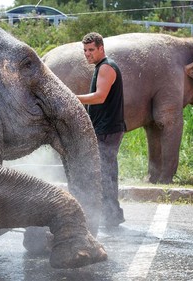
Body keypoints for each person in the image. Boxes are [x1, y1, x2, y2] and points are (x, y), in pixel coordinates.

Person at [77, 32, 126, 227]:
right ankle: (112, 215)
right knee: (106, 172)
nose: (87, 54)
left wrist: (73, 97)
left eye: (91, 50)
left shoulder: (106, 67)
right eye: (85, 50)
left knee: (104, 173)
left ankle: (111, 216)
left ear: (101, 49)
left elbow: (100, 97)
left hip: (107, 129)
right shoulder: (102, 67)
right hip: (107, 128)